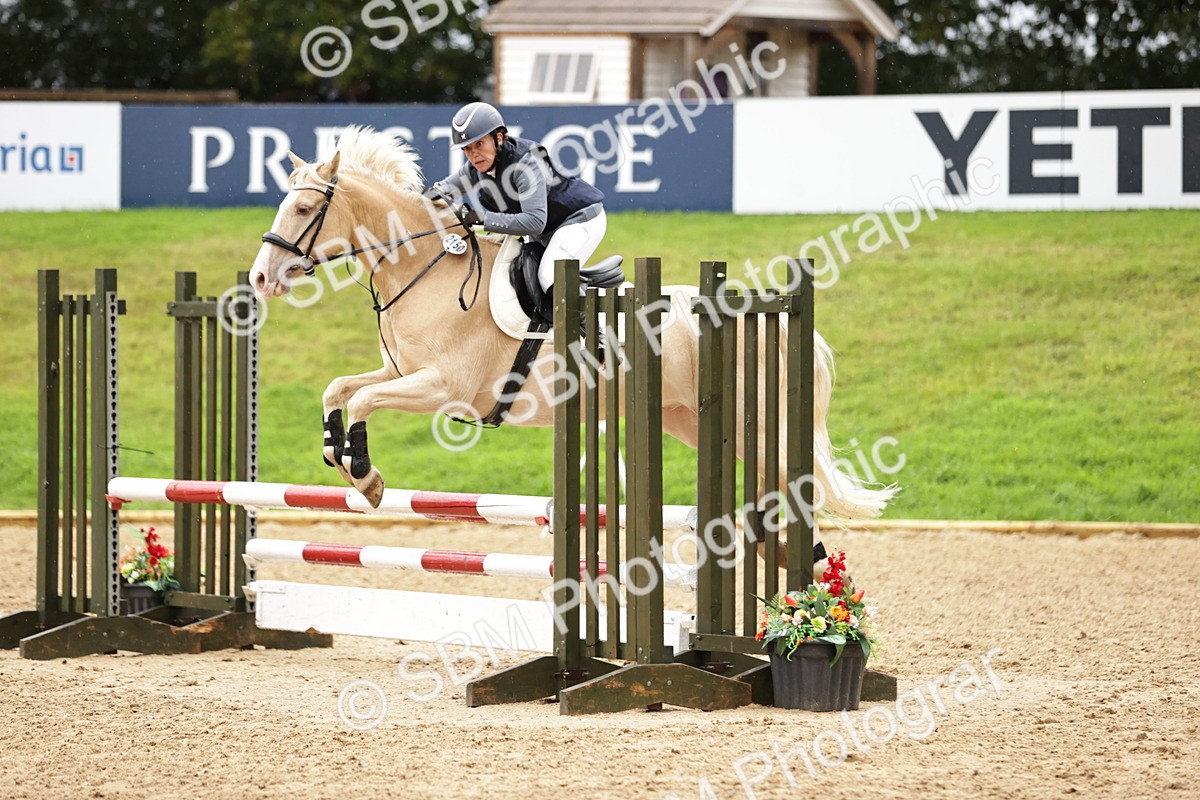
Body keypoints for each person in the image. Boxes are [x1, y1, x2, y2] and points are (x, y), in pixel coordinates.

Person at [423, 102, 607, 300]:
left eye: (479, 144)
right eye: (466, 149)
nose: (473, 154)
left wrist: (482, 219)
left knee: (549, 276)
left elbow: (535, 222)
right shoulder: (475, 168)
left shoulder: (526, 163)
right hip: (549, 230)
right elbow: (439, 192)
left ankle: (593, 330)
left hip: (580, 220)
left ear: (498, 138)